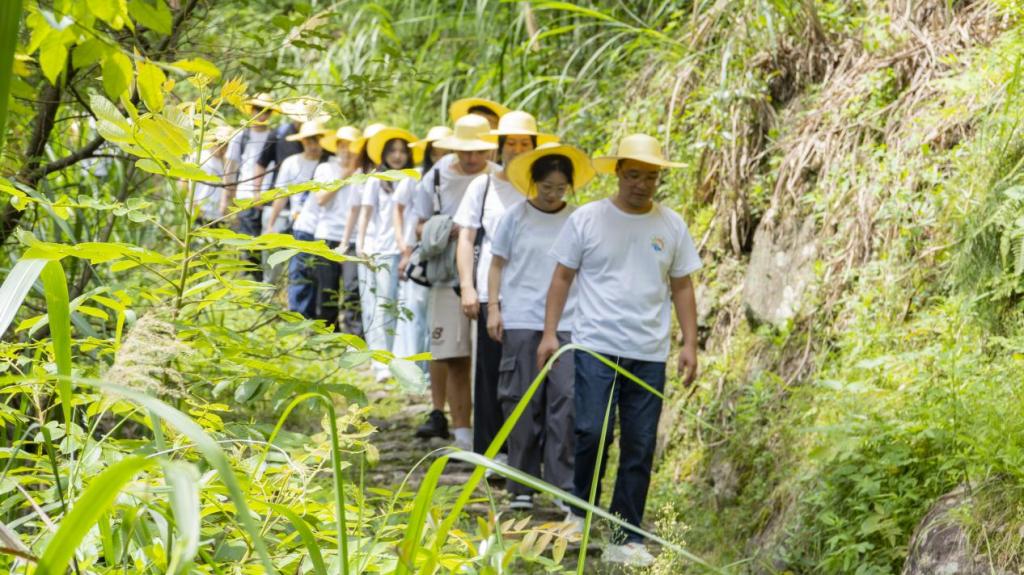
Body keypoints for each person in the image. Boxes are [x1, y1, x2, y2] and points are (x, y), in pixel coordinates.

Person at [537, 134, 702, 567]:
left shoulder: (671, 225)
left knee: (640, 443)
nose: (641, 185)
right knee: (591, 429)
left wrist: (690, 343)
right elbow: (561, 277)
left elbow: (682, 284)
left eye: (650, 177)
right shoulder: (588, 219)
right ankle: (580, 510)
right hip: (595, 343)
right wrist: (550, 333)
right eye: (633, 175)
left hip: (648, 350)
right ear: (617, 173)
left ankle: (625, 534)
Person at [487, 143, 594, 511]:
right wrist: (494, 308)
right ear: (533, 184)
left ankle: (563, 485)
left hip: (569, 321)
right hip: (520, 318)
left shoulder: (578, 219)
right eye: (546, 188)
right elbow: (497, 264)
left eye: (560, 189)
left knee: (565, 402)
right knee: (521, 402)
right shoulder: (515, 217)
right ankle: (521, 484)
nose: (552, 195)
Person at [454, 111, 556, 455]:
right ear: (499, 146)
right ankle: (491, 452)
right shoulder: (482, 185)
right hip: (489, 293)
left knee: (537, 374)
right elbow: (466, 238)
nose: (516, 149)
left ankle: (531, 454)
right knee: (491, 374)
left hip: (537, 296)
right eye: (510, 142)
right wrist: (467, 286)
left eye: (524, 143)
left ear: (535, 146)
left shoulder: (543, 186)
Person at [410, 114, 499, 448]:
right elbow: (418, 225)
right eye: (466, 152)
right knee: (453, 354)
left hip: (490, 274)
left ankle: (487, 431)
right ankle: (462, 433)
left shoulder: (500, 177)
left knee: (487, 358)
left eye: (479, 152)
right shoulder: (437, 176)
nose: (472, 158)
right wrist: (448, 229)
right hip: (447, 275)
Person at [357, 127, 420, 382]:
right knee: (381, 305)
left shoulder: (414, 178)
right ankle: (381, 361)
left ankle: (396, 358)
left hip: (404, 250)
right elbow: (366, 213)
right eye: (392, 151)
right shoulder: (376, 179)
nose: (397, 156)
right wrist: (360, 244)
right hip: (380, 249)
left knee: (399, 305)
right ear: (384, 154)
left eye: (402, 151)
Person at [393, 126, 452, 380]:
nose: (441, 157)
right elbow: (413, 219)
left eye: (446, 152)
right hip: (423, 253)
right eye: (436, 152)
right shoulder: (418, 177)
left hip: (446, 256)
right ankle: (413, 369)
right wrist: (406, 252)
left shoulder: (454, 179)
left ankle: (428, 370)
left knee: (434, 318)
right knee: (416, 314)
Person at [270, 119, 331, 318]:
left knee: (319, 275)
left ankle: (315, 318)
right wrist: (271, 223)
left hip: (326, 228)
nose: (314, 146)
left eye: (317, 141)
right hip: (301, 225)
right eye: (309, 141)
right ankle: (298, 316)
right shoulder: (291, 163)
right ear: (302, 142)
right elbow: (281, 195)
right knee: (300, 272)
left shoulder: (331, 163)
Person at [312, 126, 365, 334]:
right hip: (326, 234)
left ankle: (354, 334)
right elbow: (321, 199)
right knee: (327, 288)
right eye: (342, 145)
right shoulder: (325, 169)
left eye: (350, 146)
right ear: (336, 147)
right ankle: (326, 333)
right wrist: (345, 176)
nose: (346, 150)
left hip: (353, 238)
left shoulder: (363, 172)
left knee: (353, 287)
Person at [221, 93, 279, 280]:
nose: (261, 114)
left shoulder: (275, 136)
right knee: (249, 240)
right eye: (258, 109)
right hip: (245, 194)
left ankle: (266, 282)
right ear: (251, 110)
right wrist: (226, 197)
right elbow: (231, 166)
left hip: (270, 196)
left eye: (266, 111)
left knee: (267, 242)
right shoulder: (241, 135)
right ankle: (257, 280)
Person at [190, 125, 234, 226]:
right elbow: (185, 183)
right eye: (217, 142)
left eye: (225, 144)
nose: (220, 147)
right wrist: (194, 205)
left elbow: (231, 187)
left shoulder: (230, 163)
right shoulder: (198, 157)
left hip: (219, 214)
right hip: (198, 211)